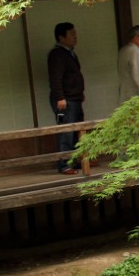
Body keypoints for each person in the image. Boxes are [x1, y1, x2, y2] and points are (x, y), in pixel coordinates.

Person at [47, 22, 84, 174]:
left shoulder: (70, 53)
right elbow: (55, 78)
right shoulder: (57, 54)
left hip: (74, 98)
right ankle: (64, 164)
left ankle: (74, 160)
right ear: (62, 37)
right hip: (64, 100)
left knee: (77, 131)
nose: (75, 37)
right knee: (65, 131)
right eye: (71, 34)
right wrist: (60, 97)